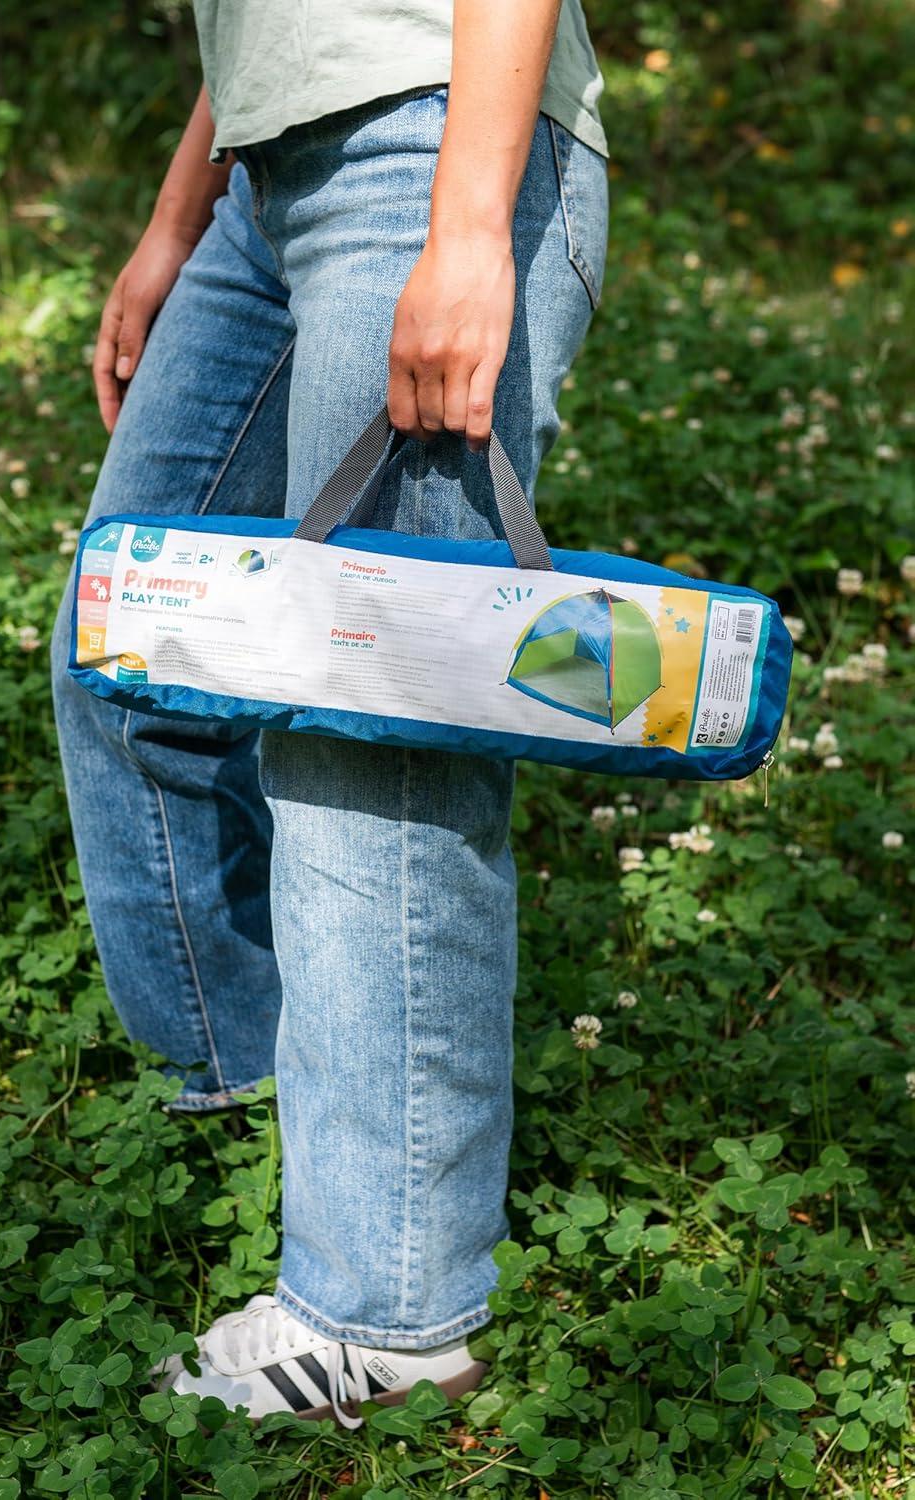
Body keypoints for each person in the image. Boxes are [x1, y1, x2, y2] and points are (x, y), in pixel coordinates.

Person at [51, 0, 608, 1429]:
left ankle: (389, 1306)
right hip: (263, 184)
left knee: (367, 742)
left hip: (431, 149)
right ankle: (269, 1093)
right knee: (128, 642)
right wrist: (181, 215)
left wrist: (471, 225)